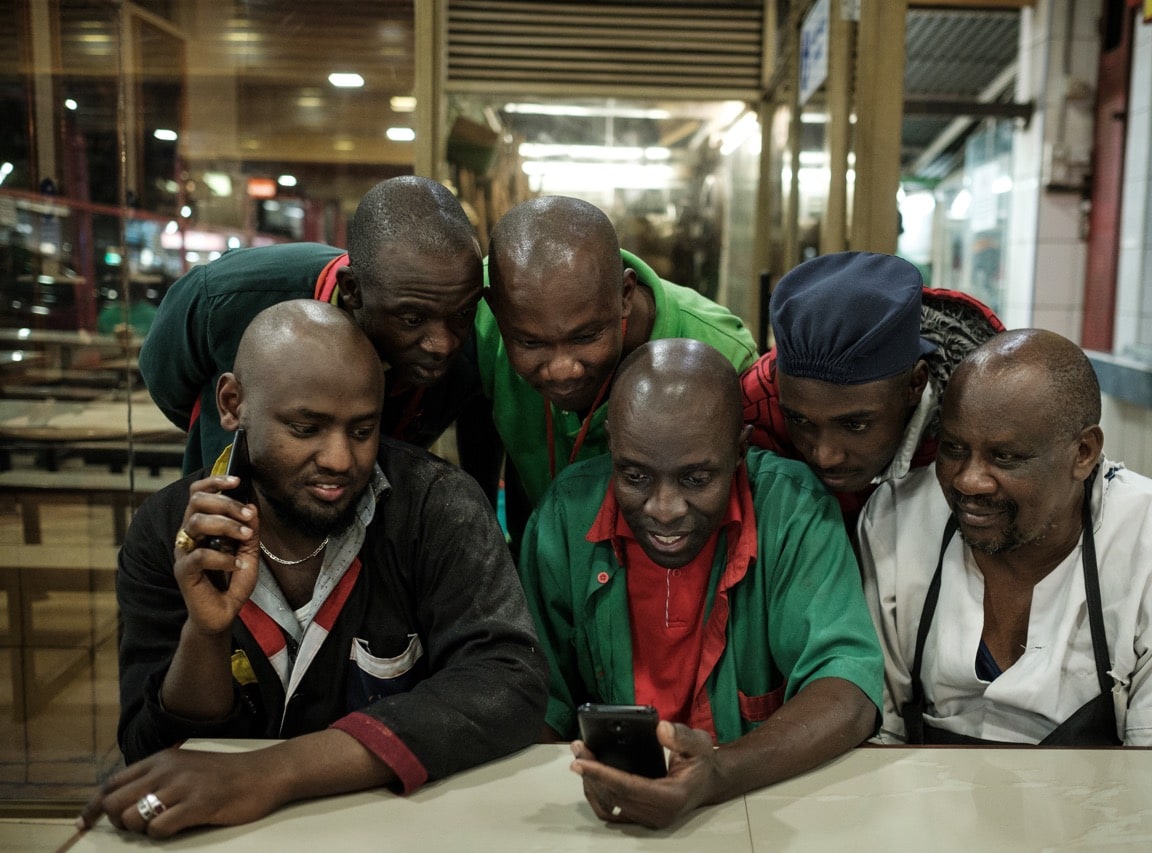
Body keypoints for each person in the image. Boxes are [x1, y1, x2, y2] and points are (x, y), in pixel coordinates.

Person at [80, 301, 548, 838]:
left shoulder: (435, 508)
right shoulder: (171, 535)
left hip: (407, 832)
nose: (339, 460)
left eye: (362, 429)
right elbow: (154, 751)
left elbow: (507, 682)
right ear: (233, 404)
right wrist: (205, 632)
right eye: (306, 427)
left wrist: (271, 773)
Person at [520, 338, 884, 829]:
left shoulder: (793, 509)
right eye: (634, 475)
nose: (663, 509)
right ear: (612, 447)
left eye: (695, 479)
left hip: (755, 808)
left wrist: (720, 773)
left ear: (739, 450)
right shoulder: (565, 516)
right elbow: (537, 698)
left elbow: (847, 692)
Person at [859, 328, 1152, 746]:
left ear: (1084, 453)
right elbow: (878, 728)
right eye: (954, 449)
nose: (969, 481)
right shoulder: (898, 520)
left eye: (1005, 457)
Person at [141, 175, 485, 474]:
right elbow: (164, 376)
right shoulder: (231, 296)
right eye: (412, 319)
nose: (442, 344)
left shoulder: (467, 357)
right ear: (352, 290)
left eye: (461, 313)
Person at [475, 196, 757, 541]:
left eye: (587, 336)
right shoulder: (484, 300)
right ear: (495, 309)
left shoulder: (723, 354)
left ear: (625, 294)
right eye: (531, 343)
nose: (563, 370)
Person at [742, 251, 1003, 525]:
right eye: (799, 420)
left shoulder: (979, 434)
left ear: (915, 384)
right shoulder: (751, 415)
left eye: (855, 425)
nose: (825, 456)